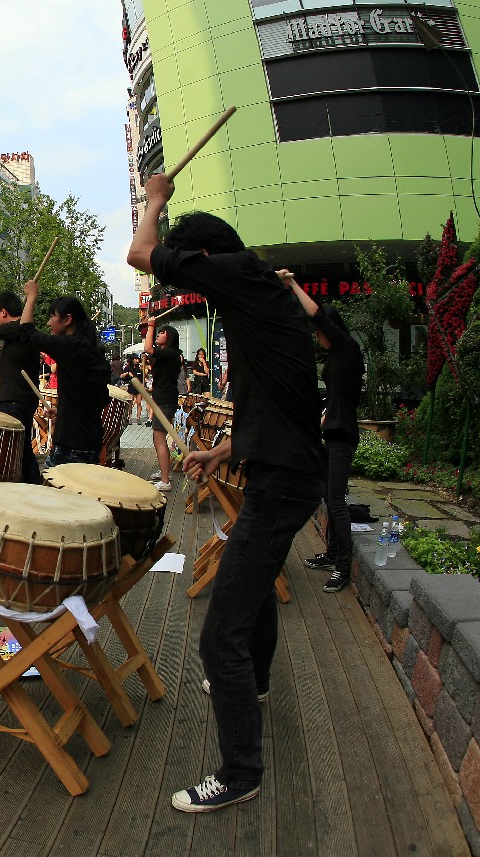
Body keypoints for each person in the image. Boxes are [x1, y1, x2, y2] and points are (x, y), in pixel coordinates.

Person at [129, 172, 324, 814]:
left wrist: (155, 199)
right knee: (253, 575)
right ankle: (258, 685)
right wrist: (222, 450)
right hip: (284, 472)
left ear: (207, 260)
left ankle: (241, 771)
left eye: (193, 272)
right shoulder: (262, 296)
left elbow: (140, 255)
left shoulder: (238, 275)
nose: (189, 287)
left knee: (219, 638)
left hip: (283, 484)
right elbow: (280, 404)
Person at [282, 271, 363, 594]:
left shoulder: (347, 347)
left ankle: (343, 566)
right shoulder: (337, 355)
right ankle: (332, 554)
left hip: (343, 435)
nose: (318, 337)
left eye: (320, 331)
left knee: (337, 501)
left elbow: (316, 313)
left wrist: (292, 285)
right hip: (333, 430)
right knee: (328, 497)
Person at [15, 286, 111, 466]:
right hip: (90, 439)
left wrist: (31, 297)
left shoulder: (69, 346)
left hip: (72, 443)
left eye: (52, 317)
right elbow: (101, 399)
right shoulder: (92, 350)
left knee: (52, 492)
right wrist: (64, 412)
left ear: (67, 319)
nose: (49, 323)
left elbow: (26, 334)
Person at [0, 284, 42, 483]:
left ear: (3, 312)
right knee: (21, 449)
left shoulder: (18, 329)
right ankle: (31, 485)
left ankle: (28, 486)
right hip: (18, 398)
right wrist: (4, 383)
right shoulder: (19, 334)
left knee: (13, 450)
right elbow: (20, 368)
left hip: (15, 403)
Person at [144, 323, 183, 491]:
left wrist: (151, 325)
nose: (158, 335)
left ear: (169, 337)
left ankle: (165, 481)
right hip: (162, 399)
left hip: (165, 401)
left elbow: (148, 348)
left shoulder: (171, 353)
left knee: (159, 438)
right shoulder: (167, 355)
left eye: (161, 333)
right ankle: (164, 470)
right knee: (157, 439)